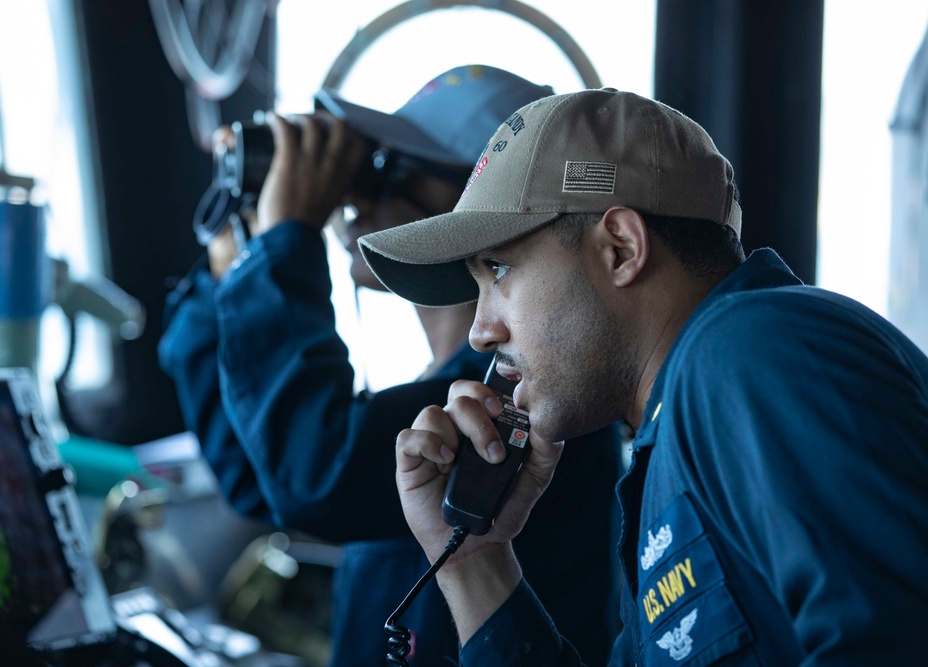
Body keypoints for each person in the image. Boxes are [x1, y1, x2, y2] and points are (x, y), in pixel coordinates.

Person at [357, 87, 928, 665]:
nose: (480, 331)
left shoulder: (752, 351)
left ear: (621, 248)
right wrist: (474, 561)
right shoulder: (676, 436)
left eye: (499, 270)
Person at [158, 65, 623, 666]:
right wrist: (234, 267)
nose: (356, 197)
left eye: (392, 169)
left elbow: (313, 474)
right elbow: (257, 475)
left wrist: (284, 244)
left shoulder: (524, 402)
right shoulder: (437, 393)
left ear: (482, 207)